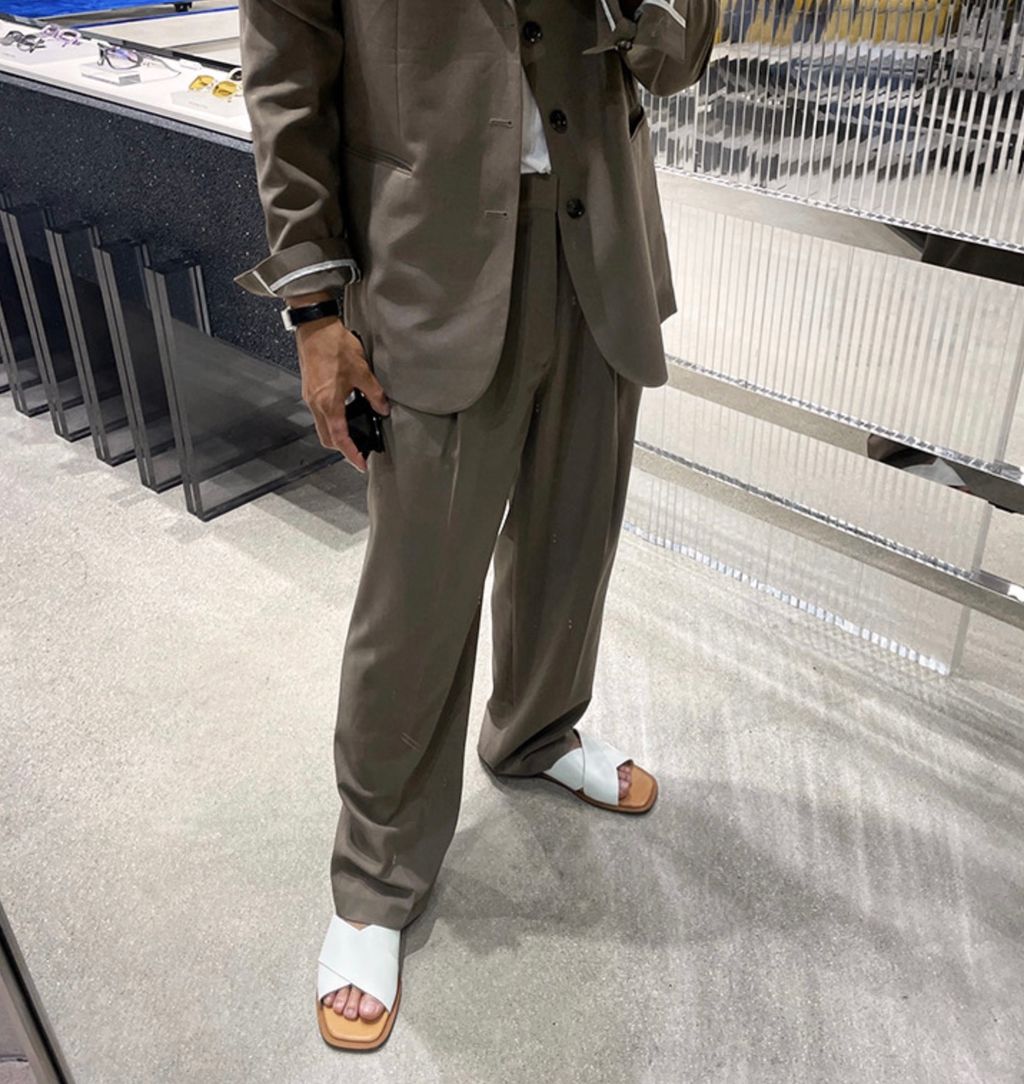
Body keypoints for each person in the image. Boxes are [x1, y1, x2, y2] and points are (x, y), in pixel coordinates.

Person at [234, 0, 718, 1052]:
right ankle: (376, 869)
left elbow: (675, 56)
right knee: (418, 593)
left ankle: (536, 730)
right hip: (428, 261)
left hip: (599, 245)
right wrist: (314, 310)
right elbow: (287, 74)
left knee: (572, 537)